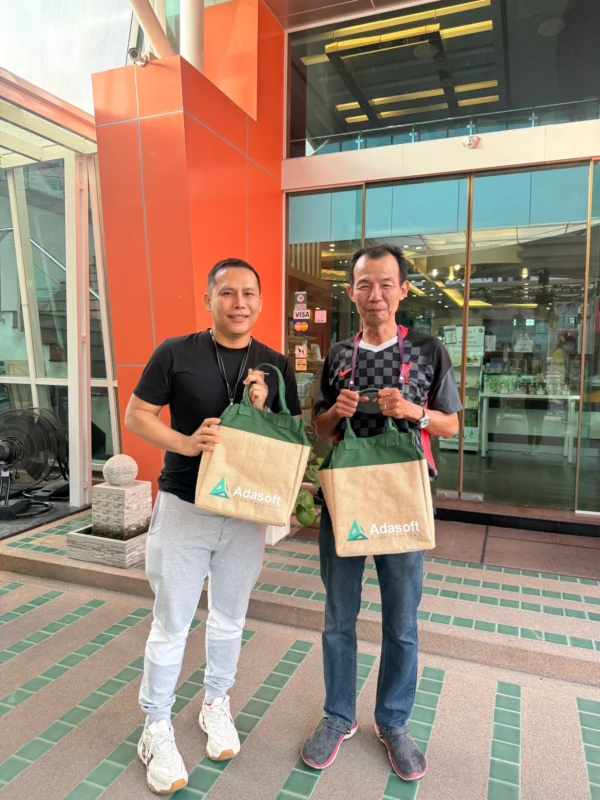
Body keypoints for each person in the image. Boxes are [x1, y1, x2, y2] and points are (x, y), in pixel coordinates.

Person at [125, 258, 301, 794]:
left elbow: (290, 434)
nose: (239, 302)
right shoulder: (175, 352)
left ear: (261, 302)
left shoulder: (275, 363)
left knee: (229, 617)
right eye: (227, 292)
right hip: (185, 503)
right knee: (172, 622)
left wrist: (263, 407)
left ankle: (215, 703)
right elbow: (137, 415)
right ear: (209, 300)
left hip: (245, 511)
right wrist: (186, 443)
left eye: (249, 293)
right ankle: (155, 726)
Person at [301, 244, 461, 781]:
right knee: (338, 617)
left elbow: (451, 424)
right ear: (351, 292)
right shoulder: (338, 355)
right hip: (344, 497)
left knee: (402, 620)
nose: (376, 294)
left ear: (403, 290)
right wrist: (335, 412)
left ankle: (393, 722)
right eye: (365, 284)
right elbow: (319, 430)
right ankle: (338, 715)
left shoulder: (428, 350)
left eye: (386, 284)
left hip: (400, 499)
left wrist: (413, 410)